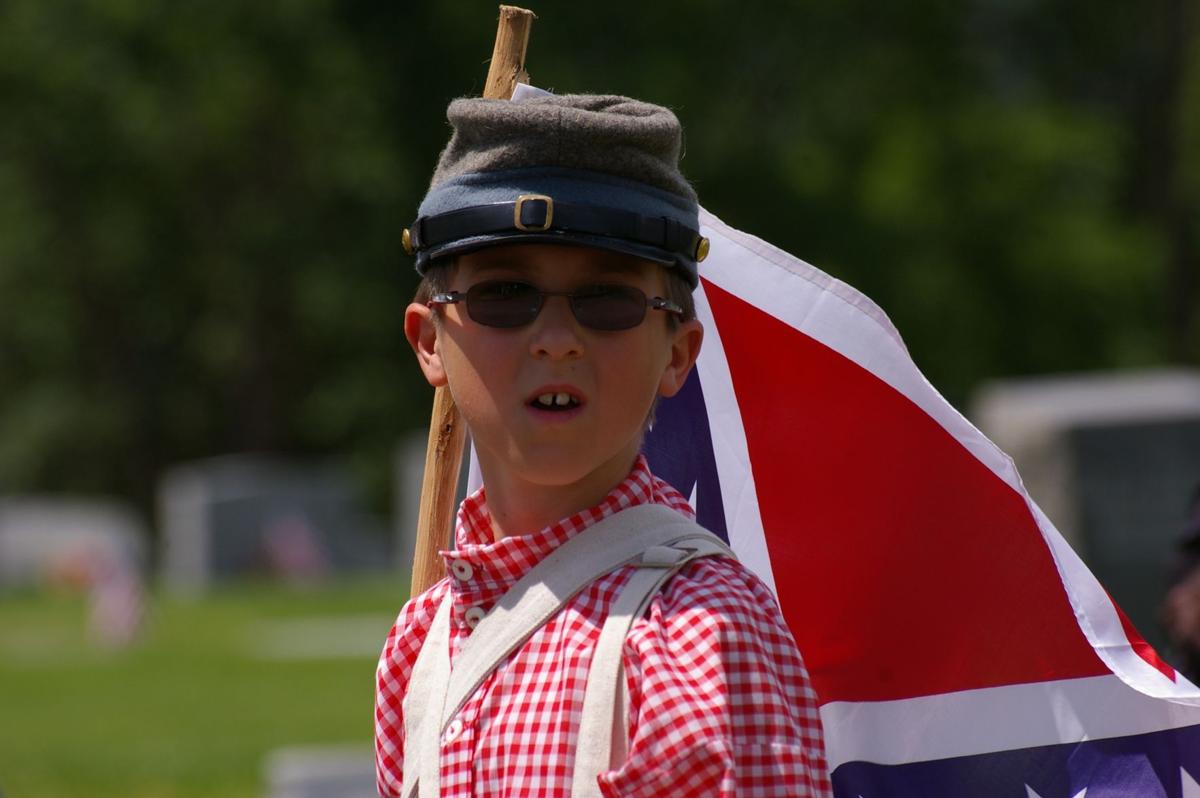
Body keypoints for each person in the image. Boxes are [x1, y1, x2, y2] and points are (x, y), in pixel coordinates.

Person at [375, 92, 832, 797]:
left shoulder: (698, 636)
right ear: (430, 341)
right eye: (503, 296)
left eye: (608, 302)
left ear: (678, 354)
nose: (556, 340)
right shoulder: (419, 644)